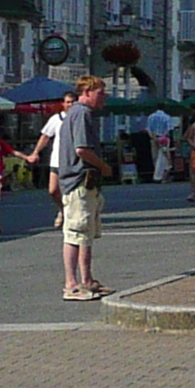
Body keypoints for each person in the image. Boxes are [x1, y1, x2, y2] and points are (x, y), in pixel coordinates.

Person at [51, 76, 115, 301]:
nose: (104, 97)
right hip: (79, 180)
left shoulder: (77, 113)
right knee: (76, 232)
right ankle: (72, 284)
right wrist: (104, 166)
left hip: (83, 181)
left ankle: (86, 280)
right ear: (87, 92)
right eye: (100, 92)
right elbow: (82, 150)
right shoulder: (82, 113)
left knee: (85, 233)